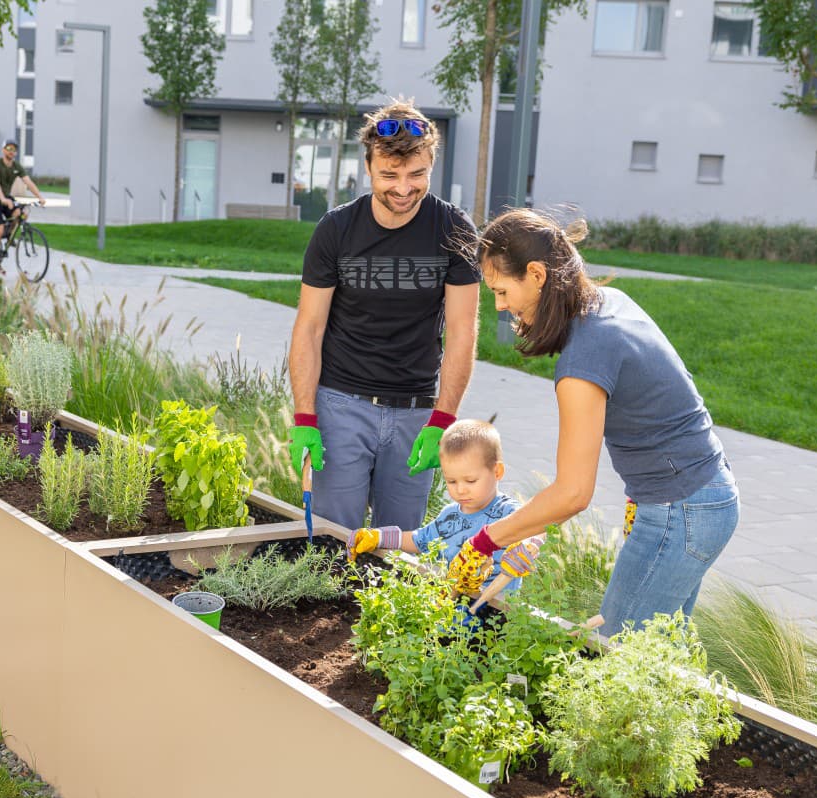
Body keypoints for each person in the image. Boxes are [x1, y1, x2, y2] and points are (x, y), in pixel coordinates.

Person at [454, 208, 739, 634]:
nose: (499, 306)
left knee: (617, 652)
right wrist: (637, 498)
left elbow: (572, 493)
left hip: (681, 510)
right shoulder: (608, 302)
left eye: (500, 290)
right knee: (660, 658)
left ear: (535, 274)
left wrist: (484, 541)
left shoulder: (583, 361)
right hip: (702, 495)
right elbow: (666, 402)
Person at [287, 99, 480, 532]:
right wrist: (305, 417)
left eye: (417, 175)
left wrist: (442, 421)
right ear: (369, 167)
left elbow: (463, 332)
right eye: (389, 175)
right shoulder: (336, 230)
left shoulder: (453, 229)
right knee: (335, 542)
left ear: (432, 163)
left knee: (402, 548)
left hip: (416, 411)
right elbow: (310, 327)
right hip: (340, 406)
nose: (404, 188)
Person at [346, 419, 543, 614]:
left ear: (497, 471)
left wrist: (529, 545)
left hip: (495, 613)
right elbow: (419, 540)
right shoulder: (449, 516)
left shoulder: (507, 511)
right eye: (451, 481)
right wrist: (377, 536)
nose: (461, 490)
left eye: (471, 480)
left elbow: (535, 522)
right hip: (450, 609)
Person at [0, 139, 47, 272]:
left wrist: (39, 197)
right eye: (9, 148)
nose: (12, 151)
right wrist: (2, 199)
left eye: (14, 149)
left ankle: (9, 234)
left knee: (21, 214)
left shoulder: (17, 166)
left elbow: (28, 181)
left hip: (6, 198)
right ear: (3, 150)